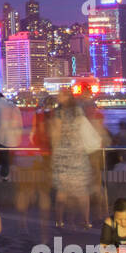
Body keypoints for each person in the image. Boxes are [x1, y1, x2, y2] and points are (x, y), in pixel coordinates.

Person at [49, 87, 95, 229]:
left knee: (62, 191)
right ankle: (86, 221)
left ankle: (59, 221)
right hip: (79, 154)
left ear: (64, 98)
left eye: (60, 95)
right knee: (82, 191)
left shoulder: (58, 113)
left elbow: (55, 136)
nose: (58, 97)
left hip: (63, 155)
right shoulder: (78, 111)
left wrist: (53, 156)